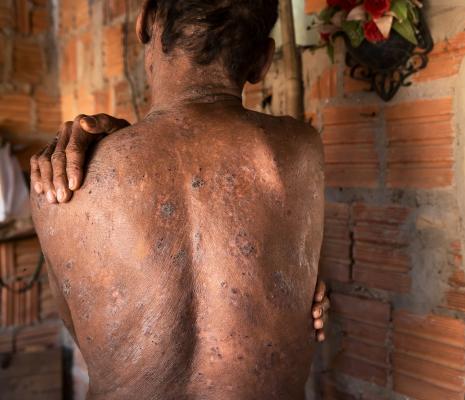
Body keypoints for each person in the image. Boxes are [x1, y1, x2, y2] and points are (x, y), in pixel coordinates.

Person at [29, 1, 327, 398]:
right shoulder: (301, 151)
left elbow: (85, 330)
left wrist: (121, 141)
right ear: (262, 60)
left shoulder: (63, 183)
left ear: (145, 23)